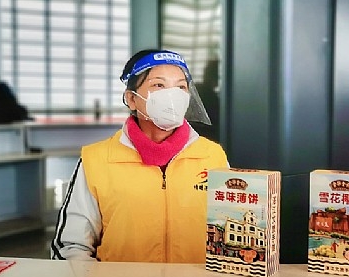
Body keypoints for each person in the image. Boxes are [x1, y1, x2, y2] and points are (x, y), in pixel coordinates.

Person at [51, 49, 229, 263]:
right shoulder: (96, 160)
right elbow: (71, 247)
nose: (173, 95)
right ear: (132, 99)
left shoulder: (213, 156)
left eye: (181, 87)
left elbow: (229, 232)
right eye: (159, 85)